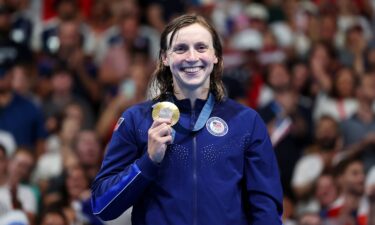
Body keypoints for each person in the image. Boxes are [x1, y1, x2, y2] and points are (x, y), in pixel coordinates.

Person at [91, 14, 283, 225]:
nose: (192, 57)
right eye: (181, 49)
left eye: (201, 47)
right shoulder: (137, 120)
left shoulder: (246, 122)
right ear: (165, 57)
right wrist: (148, 162)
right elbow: (102, 205)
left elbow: (266, 210)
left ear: (216, 56)